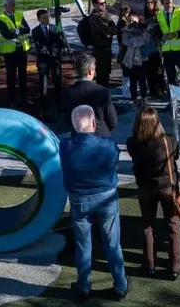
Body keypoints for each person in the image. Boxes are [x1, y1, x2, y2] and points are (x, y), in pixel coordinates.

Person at [59, 105, 129, 301]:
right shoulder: (108, 144)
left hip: (79, 200)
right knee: (112, 243)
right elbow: (114, 162)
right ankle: (120, 285)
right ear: (93, 123)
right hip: (106, 197)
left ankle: (83, 286)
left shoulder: (65, 146)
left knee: (83, 245)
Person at [126, 106, 180, 280]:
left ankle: (150, 265)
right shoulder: (169, 141)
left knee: (147, 225)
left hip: (145, 188)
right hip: (167, 188)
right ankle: (175, 266)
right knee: (173, 224)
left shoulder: (132, 143)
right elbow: (176, 156)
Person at [62, 54, 117, 137]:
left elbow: (68, 120)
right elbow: (112, 121)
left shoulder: (68, 92)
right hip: (100, 135)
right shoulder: (103, 92)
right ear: (90, 71)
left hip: (78, 136)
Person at [0, 0, 32, 107]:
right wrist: (19, 30)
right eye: (11, 5)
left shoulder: (19, 15)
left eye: (14, 4)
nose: (13, 7)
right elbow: (7, 35)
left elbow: (27, 29)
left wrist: (16, 31)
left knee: (23, 76)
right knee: (11, 77)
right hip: (10, 53)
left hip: (21, 50)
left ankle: (24, 98)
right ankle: (12, 100)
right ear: (5, 6)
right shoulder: (1, 19)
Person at [31, 9, 64, 115]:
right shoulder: (35, 31)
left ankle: (59, 103)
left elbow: (59, 43)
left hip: (55, 59)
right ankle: (42, 106)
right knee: (43, 84)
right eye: (44, 18)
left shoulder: (55, 28)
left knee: (57, 81)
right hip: (43, 61)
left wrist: (55, 53)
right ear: (39, 19)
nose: (47, 19)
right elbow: (39, 46)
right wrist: (49, 53)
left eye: (47, 17)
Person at [88, 0, 117, 87]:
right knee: (101, 75)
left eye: (105, 3)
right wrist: (110, 25)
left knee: (107, 72)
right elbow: (111, 30)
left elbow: (113, 29)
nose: (104, 5)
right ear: (94, 5)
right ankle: (101, 92)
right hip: (100, 50)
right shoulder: (94, 18)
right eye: (101, 4)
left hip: (107, 48)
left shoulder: (104, 14)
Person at [121, 14, 151, 106]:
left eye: (134, 21)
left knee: (142, 81)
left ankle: (144, 98)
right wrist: (137, 41)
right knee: (132, 81)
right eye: (130, 21)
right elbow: (125, 41)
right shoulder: (126, 31)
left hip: (142, 60)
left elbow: (146, 40)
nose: (132, 23)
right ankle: (134, 99)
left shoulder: (143, 30)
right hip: (131, 60)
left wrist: (136, 41)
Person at [142, 0, 166, 98]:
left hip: (156, 45)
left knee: (158, 69)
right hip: (147, 45)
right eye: (148, 2)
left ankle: (160, 89)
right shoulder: (145, 15)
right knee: (149, 69)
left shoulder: (158, 15)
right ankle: (152, 89)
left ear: (155, 3)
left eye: (151, 2)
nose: (149, 4)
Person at [116, 5, 131, 98]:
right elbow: (124, 30)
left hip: (125, 49)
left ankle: (127, 91)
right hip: (124, 49)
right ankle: (126, 92)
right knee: (126, 71)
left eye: (127, 11)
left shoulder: (123, 21)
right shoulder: (122, 22)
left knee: (127, 71)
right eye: (125, 12)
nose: (127, 13)